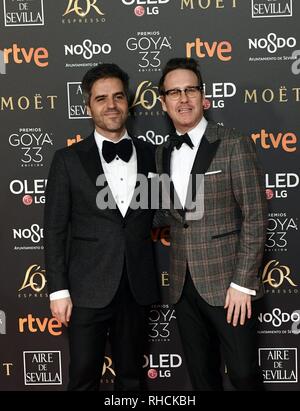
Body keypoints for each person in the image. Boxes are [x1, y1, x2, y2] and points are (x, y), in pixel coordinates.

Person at [44, 63, 159, 391]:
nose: (111, 105)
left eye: (118, 97)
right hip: (85, 290)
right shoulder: (66, 160)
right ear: (88, 106)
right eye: (101, 98)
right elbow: (54, 230)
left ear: (128, 102)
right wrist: (58, 289)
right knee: (82, 378)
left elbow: (166, 212)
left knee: (132, 378)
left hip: (136, 287)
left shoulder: (152, 155)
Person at [155, 57, 268, 390]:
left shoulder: (233, 143)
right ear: (163, 102)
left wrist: (243, 283)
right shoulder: (162, 153)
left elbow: (256, 216)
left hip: (228, 285)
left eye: (190, 89)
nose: (183, 98)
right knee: (202, 379)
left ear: (204, 96)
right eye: (174, 92)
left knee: (244, 376)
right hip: (181, 286)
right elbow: (171, 215)